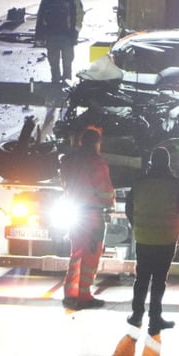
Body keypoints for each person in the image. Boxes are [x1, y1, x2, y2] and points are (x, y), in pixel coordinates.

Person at [125, 146, 179, 335]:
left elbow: (129, 208)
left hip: (144, 237)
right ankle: (155, 319)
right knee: (158, 281)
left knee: (141, 278)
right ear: (168, 163)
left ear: (151, 162)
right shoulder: (175, 184)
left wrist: (137, 225)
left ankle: (136, 315)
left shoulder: (139, 183)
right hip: (166, 239)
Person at [60, 127, 114, 309]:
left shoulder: (69, 161)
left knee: (76, 253)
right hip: (92, 214)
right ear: (97, 143)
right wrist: (109, 203)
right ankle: (84, 295)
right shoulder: (97, 163)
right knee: (90, 255)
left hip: (75, 212)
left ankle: (70, 293)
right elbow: (104, 190)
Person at [36, 0, 84, 83]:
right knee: (53, 62)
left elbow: (79, 13)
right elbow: (41, 16)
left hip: (67, 35)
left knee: (67, 62)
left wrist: (75, 31)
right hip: (51, 35)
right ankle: (55, 83)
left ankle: (67, 82)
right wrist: (39, 35)